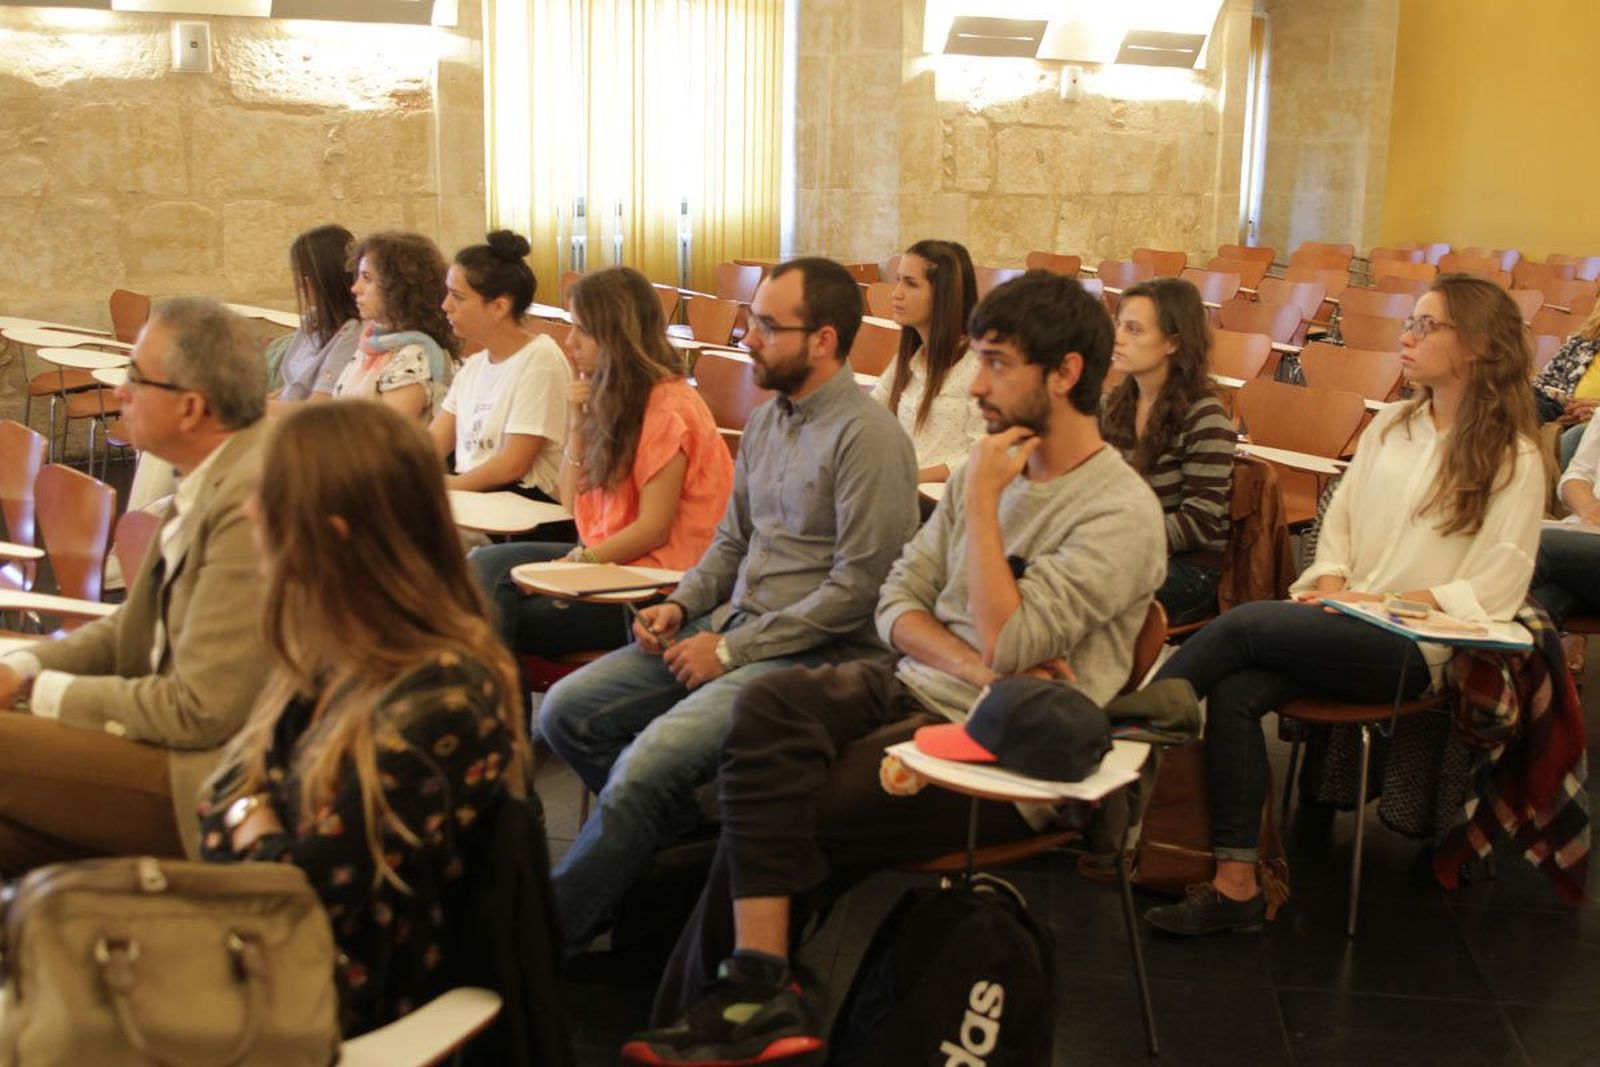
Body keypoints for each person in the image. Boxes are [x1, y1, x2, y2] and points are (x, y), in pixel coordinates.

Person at [625, 270, 1167, 1065]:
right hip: (926, 686)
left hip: (1005, 751)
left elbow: (1011, 640)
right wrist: (973, 662)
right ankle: (756, 990)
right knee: (769, 711)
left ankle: (745, 999)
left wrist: (980, 505)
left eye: (996, 364)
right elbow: (894, 600)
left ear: (1065, 374)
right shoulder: (989, 467)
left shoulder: (1117, 511)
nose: (976, 385)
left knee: (775, 812)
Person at [1143, 273, 1544, 937]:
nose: (1406, 338)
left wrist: (1376, 601)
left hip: (1418, 647)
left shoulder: (1515, 457)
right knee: (1238, 688)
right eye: (1408, 321)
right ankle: (1236, 883)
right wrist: (1329, 583)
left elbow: (1494, 589)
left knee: (1239, 625)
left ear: (1476, 345)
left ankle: (1117, 740)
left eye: (1426, 325)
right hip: (1343, 620)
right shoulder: (1393, 424)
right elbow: (1339, 526)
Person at [538, 257, 919, 953]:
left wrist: (731, 649)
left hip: (814, 653)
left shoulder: (870, 440)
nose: (746, 336)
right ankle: (681, 862)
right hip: (732, 625)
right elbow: (730, 541)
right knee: (568, 712)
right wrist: (682, 608)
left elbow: (861, 592)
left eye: (769, 326)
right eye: (751, 319)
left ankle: (544, 940)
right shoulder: (773, 420)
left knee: (644, 768)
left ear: (825, 339)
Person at [198, 401, 530, 1037]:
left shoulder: (444, 701)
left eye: (270, 498)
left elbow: (301, 903)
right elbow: (221, 804)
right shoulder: (333, 651)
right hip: (260, 968)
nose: (249, 512)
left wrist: (248, 814)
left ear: (335, 532)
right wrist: (254, 818)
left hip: (338, 1011)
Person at [0, 299, 272, 874]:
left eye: (135, 377)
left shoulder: (251, 501)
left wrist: (35, 696)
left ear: (191, 407)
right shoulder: (208, 475)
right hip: (175, 747)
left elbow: (201, 712)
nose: (119, 391)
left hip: (216, 782)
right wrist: (24, 667)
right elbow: (133, 624)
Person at [469, 266, 734, 658]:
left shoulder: (668, 408)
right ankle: (493, 708)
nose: (570, 342)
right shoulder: (613, 398)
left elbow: (652, 529)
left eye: (582, 331)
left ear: (617, 336)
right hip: (608, 559)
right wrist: (578, 423)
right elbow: (570, 505)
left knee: (501, 619)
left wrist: (577, 562)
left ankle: (496, 711)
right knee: (484, 566)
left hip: (653, 581)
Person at [1100, 277, 1235, 626]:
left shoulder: (1205, 414)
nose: (1118, 338)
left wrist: (1117, 540)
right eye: (1119, 325)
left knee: (1071, 587)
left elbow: (1200, 521)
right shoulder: (1114, 404)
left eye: (1134, 330)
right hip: (1119, 549)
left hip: (1185, 569)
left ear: (1172, 343)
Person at [431, 230, 570, 497]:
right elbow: (430, 446)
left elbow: (512, 466)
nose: (445, 306)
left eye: (457, 297)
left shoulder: (540, 358)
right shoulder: (473, 366)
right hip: (477, 496)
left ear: (498, 307)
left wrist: (439, 489)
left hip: (523, 503)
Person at [872, 239, 985, 484]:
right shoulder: (912, 358)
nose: (896, 293)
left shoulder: (978, 365)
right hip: (905, 490)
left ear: (943, 296)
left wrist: (913, 477)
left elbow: (986, 452)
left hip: (946, 500)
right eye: (898, 280)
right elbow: (869, 414)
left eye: (910, 283)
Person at [332, 230, 457, 421]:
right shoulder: (373, 344)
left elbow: (386, 440)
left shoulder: (415, 356)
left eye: (367, 278)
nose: (355, 288)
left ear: (399, 287)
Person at [274, 223, 362, 403]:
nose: (299, 282)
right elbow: (293, 388)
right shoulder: (311, 321)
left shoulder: (353, 332)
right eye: (297, 273)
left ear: (326, 275)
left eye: (303, 273)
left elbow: (317, 406)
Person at [1531, 412, 1600, 624]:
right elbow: (1577, 474)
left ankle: (1441, 624)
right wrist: (1589, 507)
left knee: (1536, 544)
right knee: (1539, 601)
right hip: (1585, 539)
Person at [1531, 300, 1600, 469]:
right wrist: (1563, 408)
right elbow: (1543, 387)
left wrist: (1597, 414)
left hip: (1588, 433)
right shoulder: (1581, 344)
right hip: (1559, 417)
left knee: (1578, 436)